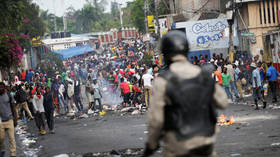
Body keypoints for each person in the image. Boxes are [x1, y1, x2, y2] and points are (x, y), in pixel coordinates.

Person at [144, 31, 227, 157]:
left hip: (178, 145)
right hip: (205, 142)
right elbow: (223, 101)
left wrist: (151, 145)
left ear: (166, 53)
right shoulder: (202, 75)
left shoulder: (163, 80)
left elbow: (156, 119)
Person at [0, 82, 17, 157]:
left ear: (4, 88)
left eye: (2, 87)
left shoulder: (9, 95)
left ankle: (13, 154)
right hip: (0, 121)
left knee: (11, 138)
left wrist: (15, 119)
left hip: (9, 119)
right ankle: (2, 149)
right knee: (1, 138)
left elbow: (13, 107)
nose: (0, 89)